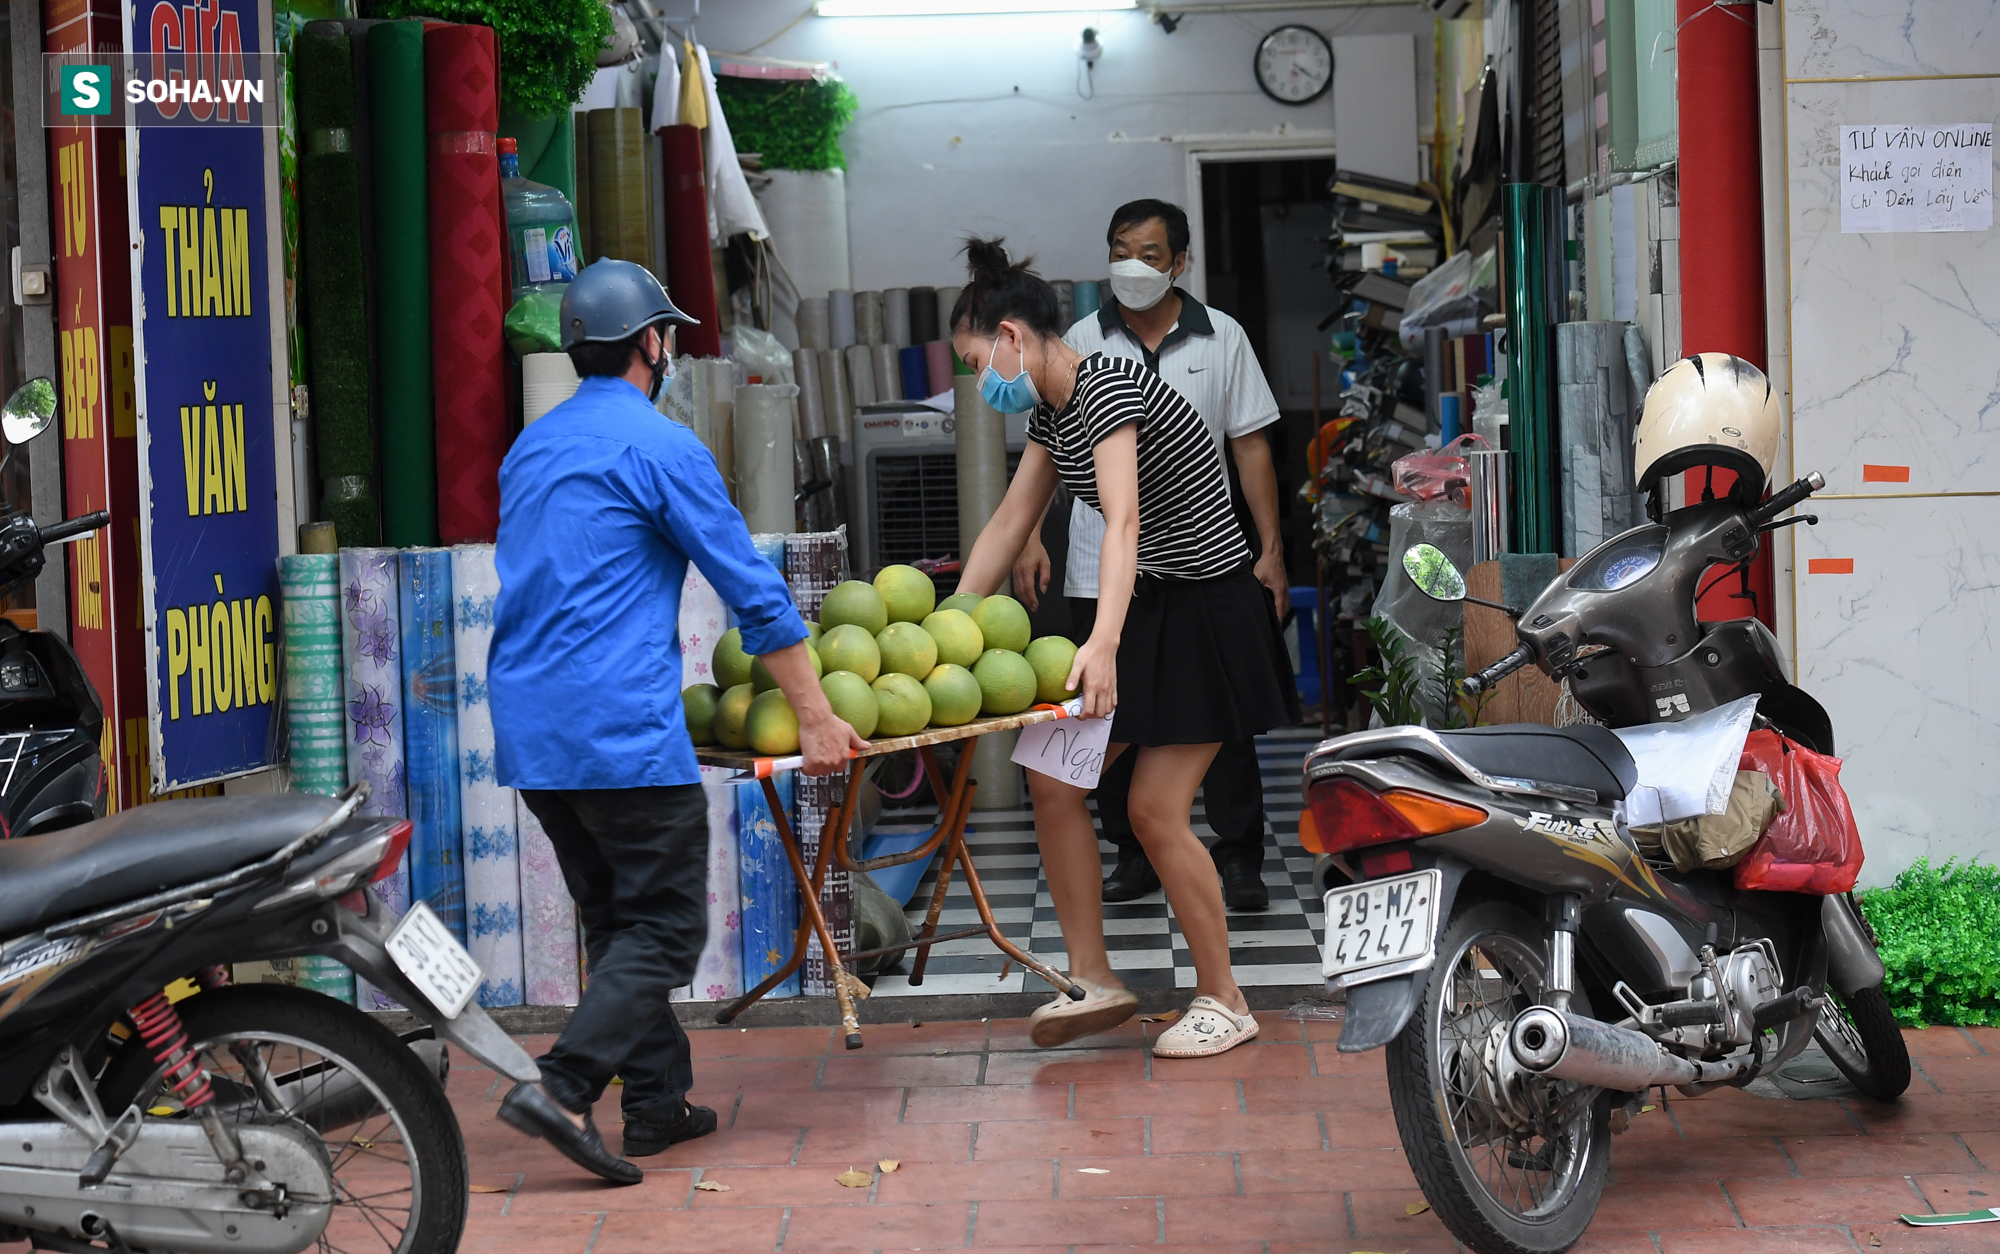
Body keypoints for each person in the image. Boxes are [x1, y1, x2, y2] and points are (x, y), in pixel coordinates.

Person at [485, 260, 866, 1184]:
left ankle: (654, 1106)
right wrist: (815, 716)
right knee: (661, 929)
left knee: (618, 923)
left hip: (533, 734)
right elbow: (754, 593)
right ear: (653, 343)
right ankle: (563, 1085)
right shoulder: (661, 446)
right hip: (616, 731)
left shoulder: (527, 449)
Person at [950, 238, 1296, 1058]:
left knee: (1153, 807)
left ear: (1012, 337)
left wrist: (1099, 643)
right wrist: (945, 633)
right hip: (1148, 611)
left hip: (1208, 612)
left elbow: (1124, 520)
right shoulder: (1051, 411)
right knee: (1051, 780)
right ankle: (1091, 977)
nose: (978, 382)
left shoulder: (1106, 390)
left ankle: (1226, 999)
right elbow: (1008, 524)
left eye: (975, 363)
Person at [1013, 199, 1294, 912]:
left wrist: (1271, 548)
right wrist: (1024, 541)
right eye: (1120, 250)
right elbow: (1041, 467)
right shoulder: (1081, 338)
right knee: (1109, 715)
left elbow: (1250, 446)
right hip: (1099, 567)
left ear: (1179, 262)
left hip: (1198, 570)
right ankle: (1131, 856)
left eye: (1148, 253)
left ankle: (1238, 857)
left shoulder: (1220, 336)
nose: (1131, 265)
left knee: (1215, 719)